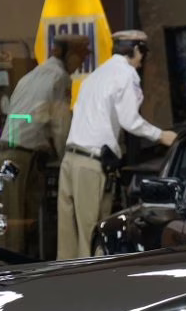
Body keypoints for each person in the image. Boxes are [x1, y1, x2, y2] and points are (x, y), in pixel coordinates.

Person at [57, 30, 175, 260]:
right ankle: (89, 292)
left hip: (70, 161)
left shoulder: (96, 75)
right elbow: (130, 120)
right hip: (90, 164)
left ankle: (63, 287)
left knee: (67, 241)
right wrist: (161, 136)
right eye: (143, 52)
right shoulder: (126, 74)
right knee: (91, 235)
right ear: (136, 49)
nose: (142, 60)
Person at [0, 35, 79, 257]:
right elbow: (60, 124)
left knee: (10, 214)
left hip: (9, 152)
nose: (81, 63)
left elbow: (17, 115)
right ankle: (15, 269)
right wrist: (65, 158)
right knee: (18, 220)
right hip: (23, 156)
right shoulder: (60, 77)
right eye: (82, 56)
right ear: (70, 55)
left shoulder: (30, 77)